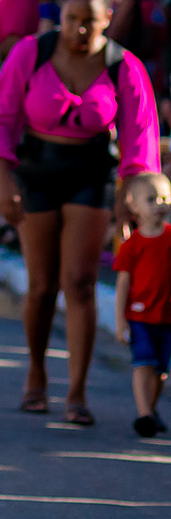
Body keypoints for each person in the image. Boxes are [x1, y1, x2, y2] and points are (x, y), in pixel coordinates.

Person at [0, 0, 161, 423]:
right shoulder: (32, 52)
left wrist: (129, 201)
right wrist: (3, 179)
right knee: (41, 286)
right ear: (59, 13)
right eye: (71, 19)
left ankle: (77, 393)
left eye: (90, 22)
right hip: (36, 169)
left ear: (109, 18)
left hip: (91, 172)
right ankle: (36, 375)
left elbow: (140, 139)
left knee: (79, 283)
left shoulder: (123, 66)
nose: (79, 30)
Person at [115, 171, 171, 439]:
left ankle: (152, 409)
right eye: (151, 199)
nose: (159, 204)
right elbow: (122, 285)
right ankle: (144, 413)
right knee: (142, 363)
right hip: (139, 317)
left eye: (164, 199)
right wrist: (120, 321)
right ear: (133, 206)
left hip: (167, 317)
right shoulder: (132, 245)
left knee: (160, 370)